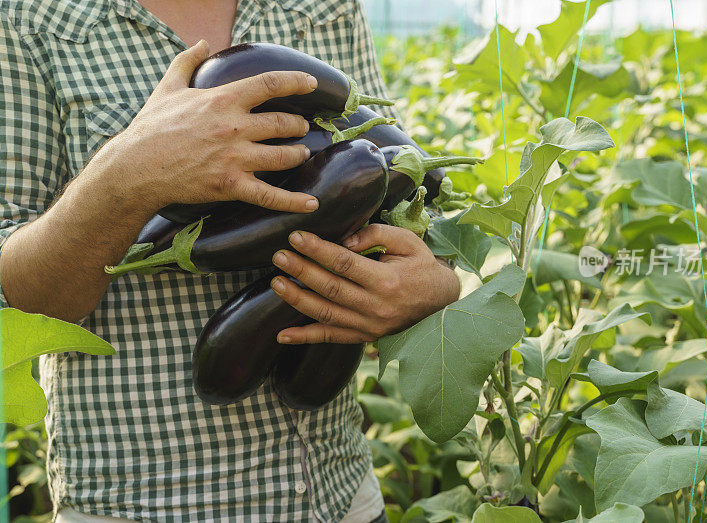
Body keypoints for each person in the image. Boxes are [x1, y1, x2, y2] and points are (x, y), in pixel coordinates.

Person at [0, 0, 461, 521]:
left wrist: (432, 286)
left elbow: (394, 181)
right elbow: (16, 300)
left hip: (339, 498)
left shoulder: (327, 6)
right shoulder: (28, 17)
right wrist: (128, 171)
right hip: (137, 506)